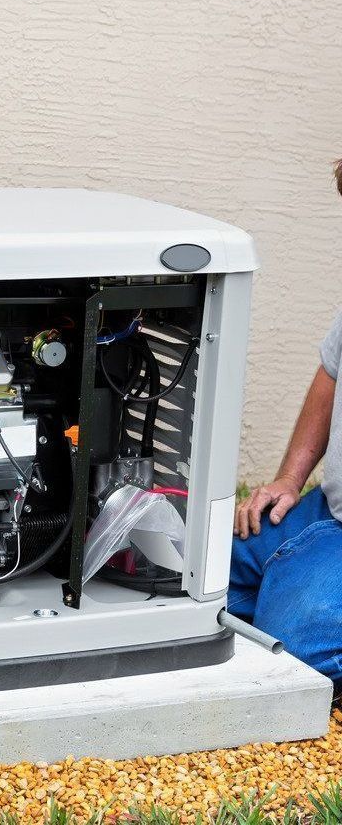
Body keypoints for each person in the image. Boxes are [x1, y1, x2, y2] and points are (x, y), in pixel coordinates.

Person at [231, 166, 342, 696]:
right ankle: (293, 573)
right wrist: (288, 479)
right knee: (196, 581)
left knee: (298, 651)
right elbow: (329, 380)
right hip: (329, 510)